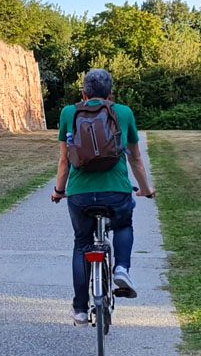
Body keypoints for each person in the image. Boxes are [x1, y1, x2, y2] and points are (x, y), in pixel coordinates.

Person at [51, 69, 155, 325]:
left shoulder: (68, 113)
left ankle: (79, 309)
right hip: (116, 190)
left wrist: (59, 190)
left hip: (80, 194)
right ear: (111, 94)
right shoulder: (124, 112)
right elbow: (136, 158)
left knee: (81, 243)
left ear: (84, 93)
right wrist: (145, 189)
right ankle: (121, 268)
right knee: (123, 225)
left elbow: (65, 161)